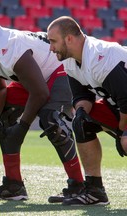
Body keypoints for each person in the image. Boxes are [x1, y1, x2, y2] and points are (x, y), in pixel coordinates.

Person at [0, 12, 84, 202]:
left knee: (52, 121)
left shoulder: (10, 46)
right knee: (4, 116)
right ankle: (13, 184)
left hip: (60, 69)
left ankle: (78, 185)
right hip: (34, 80)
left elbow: (40, 93)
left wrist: (23, 126)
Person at [47, 16, 127, 206]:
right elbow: (82, 96)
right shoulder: (71, 60)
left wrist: (122, 131)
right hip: (119, 106)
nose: (50, 48)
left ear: (69, 39)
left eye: (53, 41)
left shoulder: (101, 57)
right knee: (81, 122)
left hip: (125, 106)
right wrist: (80, 113)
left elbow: (126, 100)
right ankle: (95, 191)